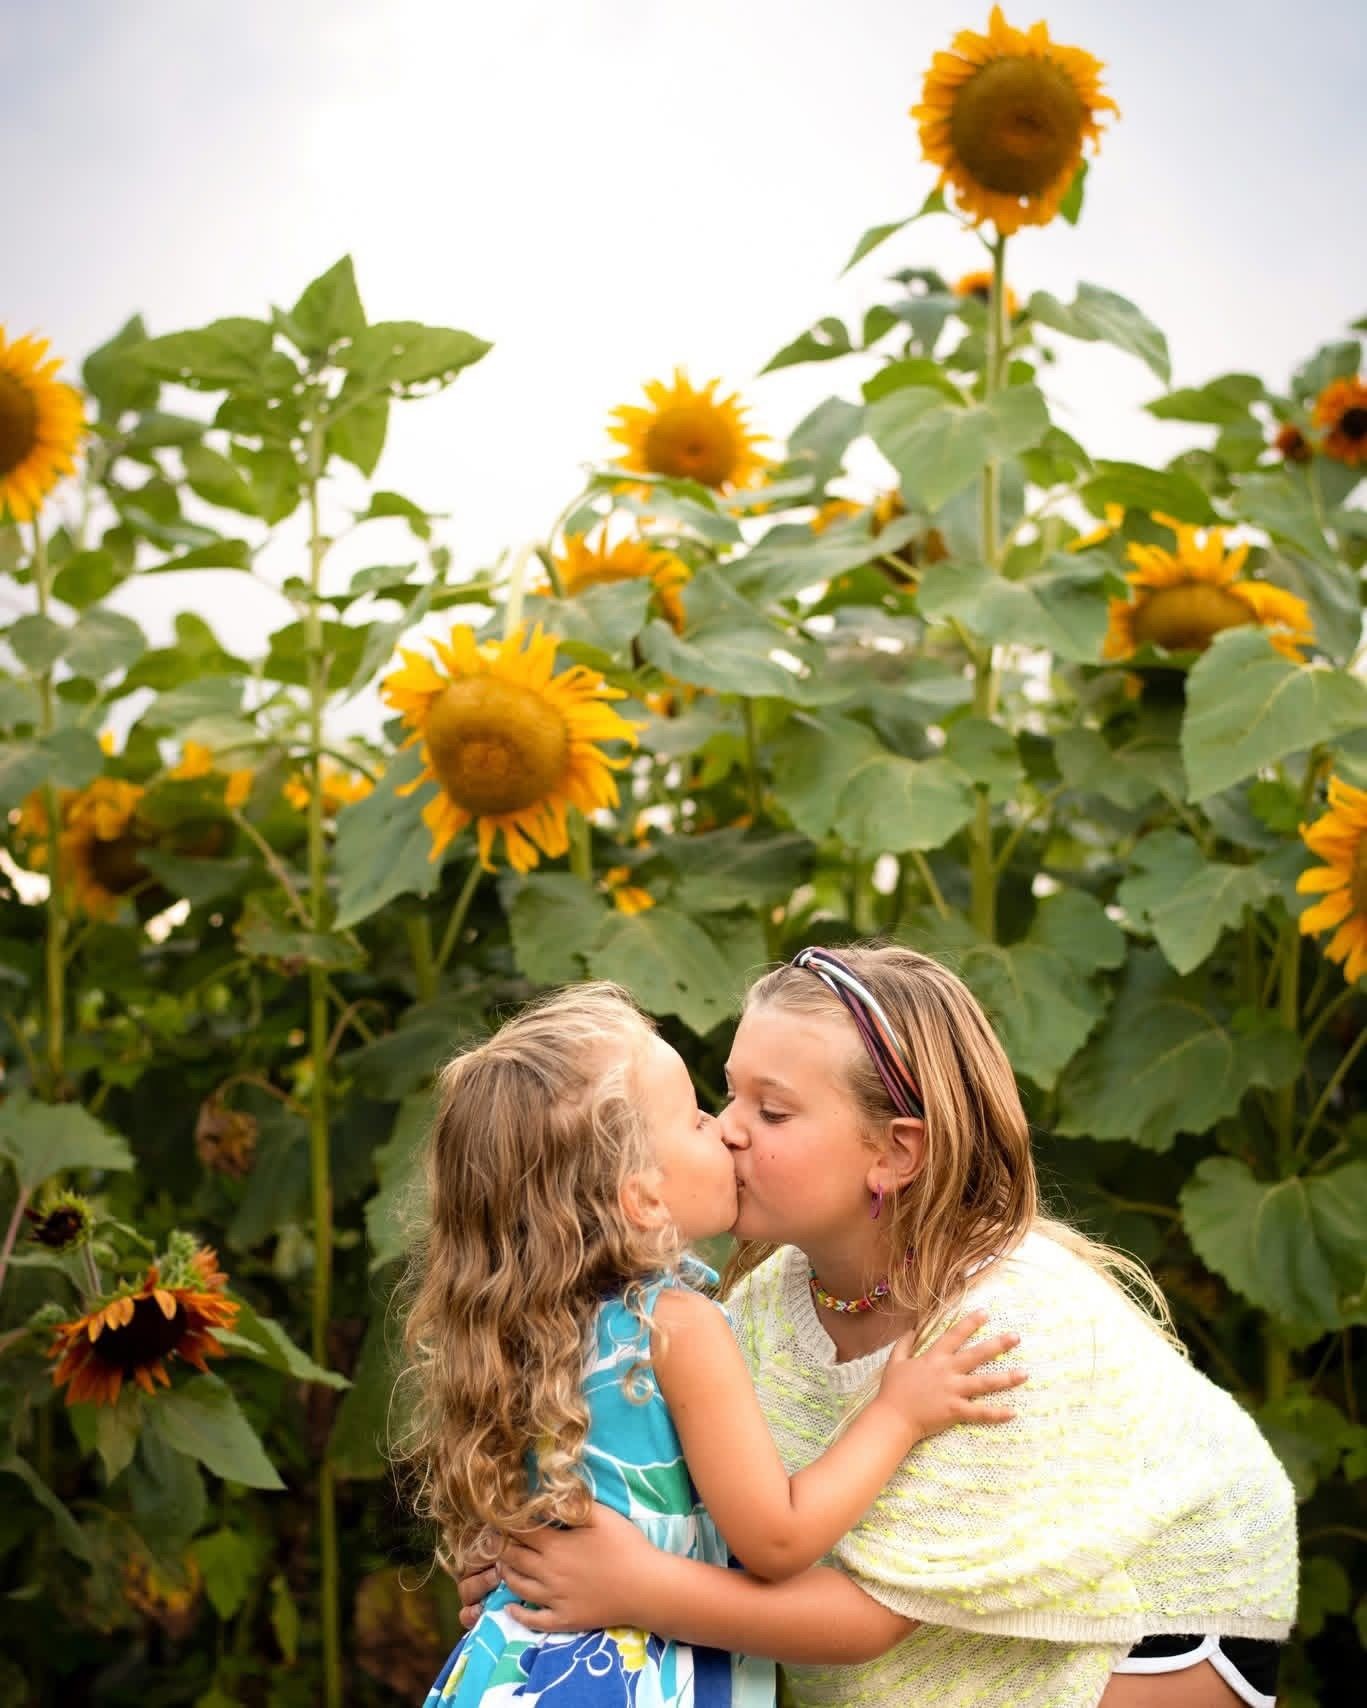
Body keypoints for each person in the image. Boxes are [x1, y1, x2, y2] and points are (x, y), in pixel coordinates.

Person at [464, 946, 1297, 1708]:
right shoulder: (753, 1306)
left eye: (774, 1111)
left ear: (895, 1154)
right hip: (921, 1632)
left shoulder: (1004, 1326)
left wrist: (631, 1586)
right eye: (726, 1093)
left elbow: (869, 1618)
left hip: (1145, 1638)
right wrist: (539, 1567)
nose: (727, 1128)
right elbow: (679, 1505)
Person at [393, 979, 1026, 1707]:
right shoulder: (677, 1325)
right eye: (696, 1120)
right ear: (643, 1198)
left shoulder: (525, 1325)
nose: (725, 1130)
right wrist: (898, 1415)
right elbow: (778, 1540)